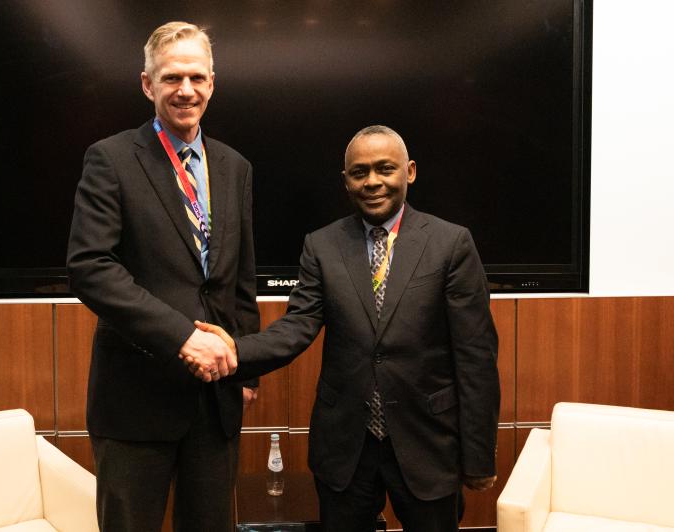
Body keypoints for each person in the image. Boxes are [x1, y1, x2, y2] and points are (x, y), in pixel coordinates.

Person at [187, 125, 500, 531]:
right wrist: (237, 351)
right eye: (359, 172)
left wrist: (478, 457)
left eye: (385, 169)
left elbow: (475, 356)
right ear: (346, 181)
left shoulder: (451, 244)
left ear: (410, 171)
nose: (372, 182)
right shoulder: (322, 245)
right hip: (346, 448)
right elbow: (298, 326)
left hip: (428, 444)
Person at [67, 21, 260, 532]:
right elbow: (91, 268)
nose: (186, 90)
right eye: (171, 78)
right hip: (135, 400)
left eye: (197, 77)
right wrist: (182, 338)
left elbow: (239, 278)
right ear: (148, 85)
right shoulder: (110, 159)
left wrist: (245, 367)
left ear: (213, 83)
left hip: (215, 400)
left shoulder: (235, 167)